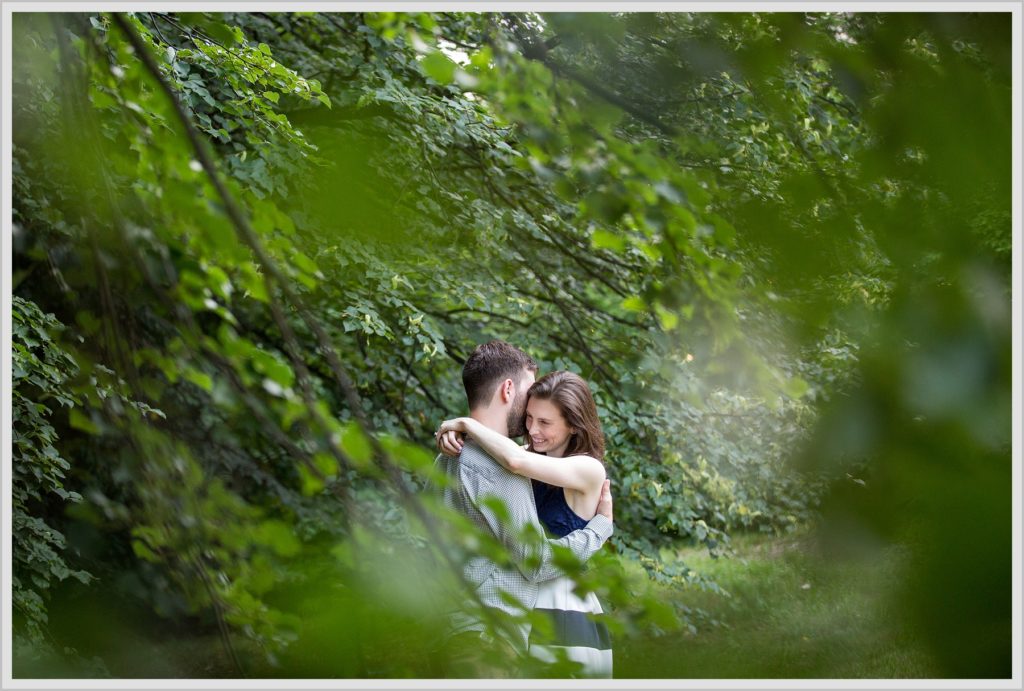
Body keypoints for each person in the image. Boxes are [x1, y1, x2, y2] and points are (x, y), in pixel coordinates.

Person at [434, 341, 614, 678]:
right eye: (530, 415)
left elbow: (515, 458)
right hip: (493, 631)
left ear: (573, 424)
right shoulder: (503, 464)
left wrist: (465, 426)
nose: (532, 428)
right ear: (508, 390)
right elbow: (536, 561)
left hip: (529, 617)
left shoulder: (456, 458)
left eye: (545, 422)